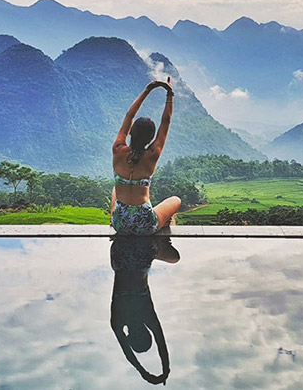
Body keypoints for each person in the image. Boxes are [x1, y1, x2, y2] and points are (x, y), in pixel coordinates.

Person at [110, 77, 181, 235]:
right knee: (176, 200)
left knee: (115, 190)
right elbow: (166, 122)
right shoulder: (152, 154)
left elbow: (129, 116)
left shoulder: (117, 149)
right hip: (146, 225)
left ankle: (117, 218)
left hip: (120, 224)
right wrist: (170, 93)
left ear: (130, 132)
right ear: (151, 139)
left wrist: (147, 90)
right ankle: (163, 230)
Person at [110, 235, 179, 385]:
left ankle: (161, 238)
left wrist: (165, 370)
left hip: (144, 252)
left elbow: (161, 342)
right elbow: (128, 353)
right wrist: (143, 372)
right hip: (119, 254)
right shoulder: (117, 322)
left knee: (175, 257)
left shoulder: (148, 318)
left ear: (148, 332)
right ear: (128, 337)